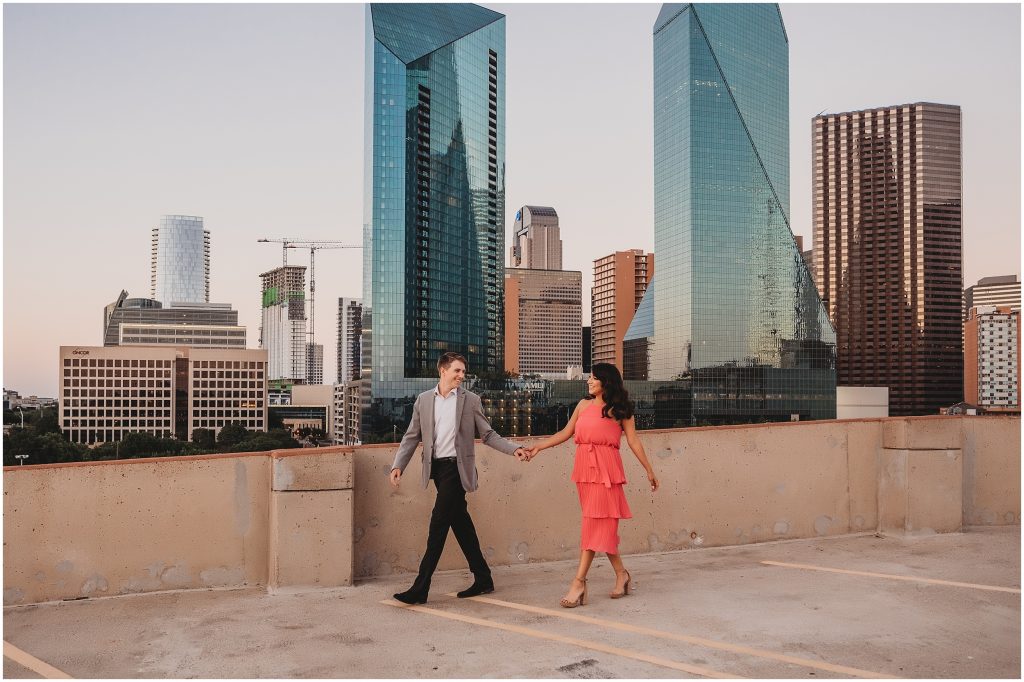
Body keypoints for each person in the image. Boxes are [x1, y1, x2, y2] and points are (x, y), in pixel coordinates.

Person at [389, 351, 530, 605]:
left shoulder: (470, 400)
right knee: (461, 525)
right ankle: (483, 578)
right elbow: (412, 436)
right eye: (457, 370)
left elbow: (488, 434)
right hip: (437, 471)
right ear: (442, 370)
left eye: (463, 371)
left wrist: (513, 449)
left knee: (438, 524)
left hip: (457, 469)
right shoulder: (424, 400)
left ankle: (420, 588)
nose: (462, 375)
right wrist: (398, 465)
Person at [525, 362, 659, 607]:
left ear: (606, 382)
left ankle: (579, 583)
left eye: (594, 377)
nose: (589, 381)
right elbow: (565, 433)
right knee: (600, 527)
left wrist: (649, 470)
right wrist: (538, 447)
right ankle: (622, 574)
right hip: (585, 472)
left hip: (607, 473)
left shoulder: (621, 410)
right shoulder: (583, 405)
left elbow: (633, 441)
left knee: (593, 526)